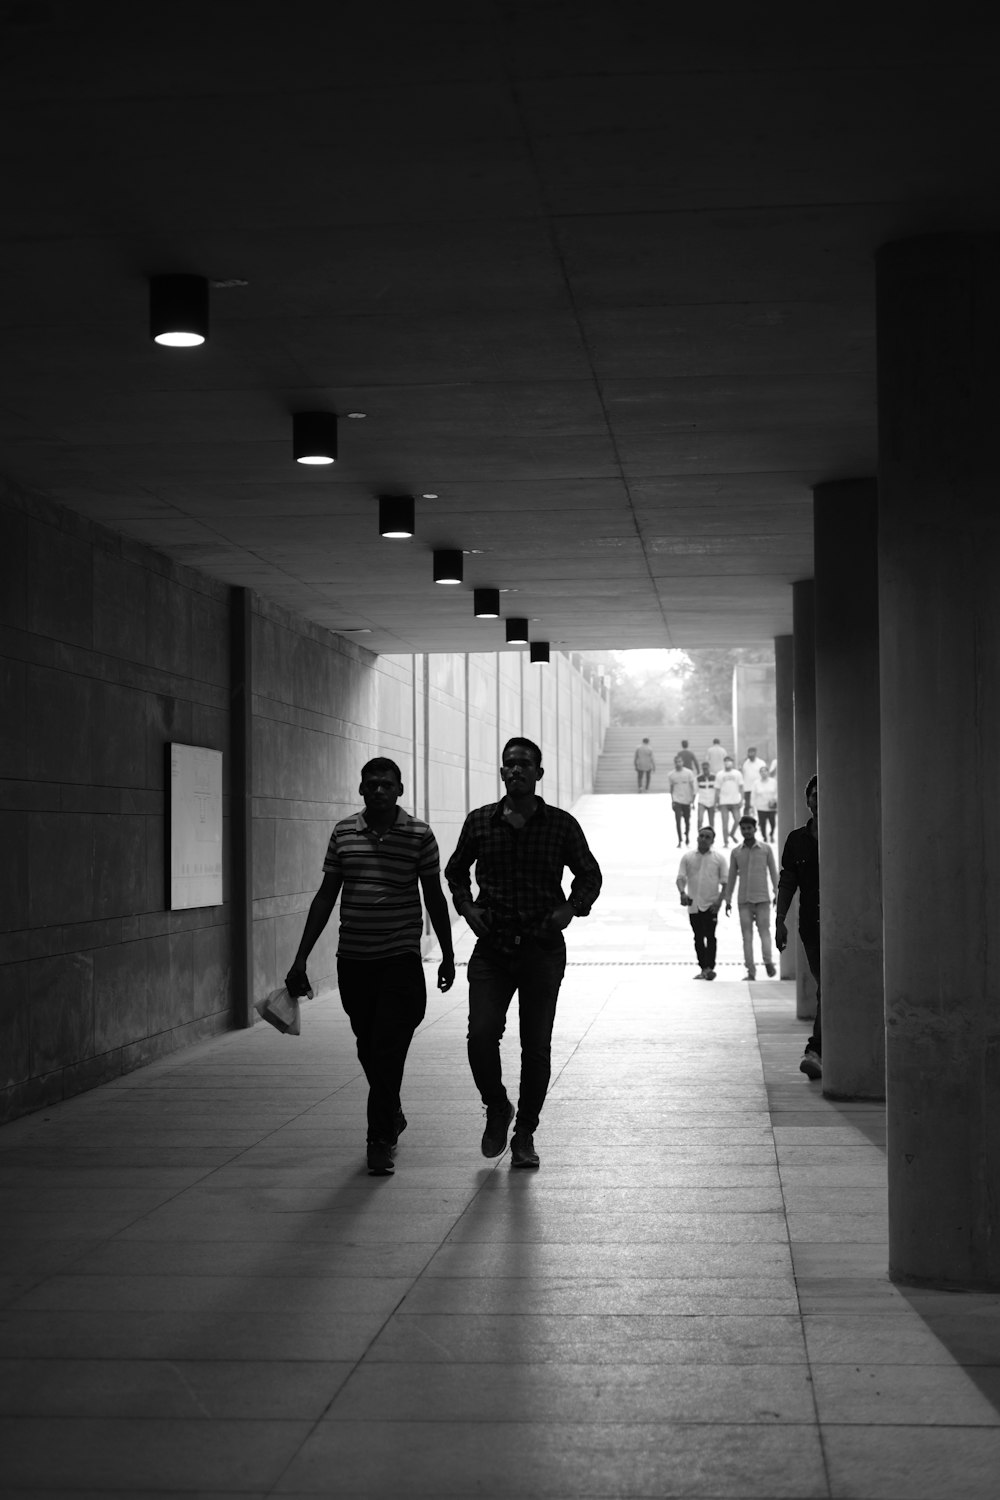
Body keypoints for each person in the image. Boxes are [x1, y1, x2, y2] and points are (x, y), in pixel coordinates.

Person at [285, 757, 456, 1176]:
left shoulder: (419, 834)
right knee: (368, 1045)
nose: (379, 790)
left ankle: (379, 1139)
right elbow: (326, 896)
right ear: (361, 789)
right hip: (354, 961)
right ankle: (391, 1108)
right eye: (372, 784)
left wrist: (449, 954)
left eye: (387, 784)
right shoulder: (343, 833)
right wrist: (300, 957)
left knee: (386, 1047)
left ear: (400, 790)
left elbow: (434, 896)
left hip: (399, 958)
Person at [445, 737, 602, 1170]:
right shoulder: (480, 823)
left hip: (541, 949)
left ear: (538, 773)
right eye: (509, 765)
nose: (516, 771)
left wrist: (571, 908)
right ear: (501, 773)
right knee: (481, 1035)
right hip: (492, 949)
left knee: (535, 1047)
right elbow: (455, 870)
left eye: (524, 765)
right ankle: (497, 1106)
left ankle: (525, 1133)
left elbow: (590, 874)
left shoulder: (561, 825)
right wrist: (467, 906)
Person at [775, 775, 821, 1080]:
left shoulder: (846, 834)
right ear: (808, 801)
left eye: (824, 794)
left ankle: (815, 1051)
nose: (819, 799)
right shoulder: (796, 840)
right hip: (811, 926)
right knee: (827, 986)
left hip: (845, 924)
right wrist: (779, 922)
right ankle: (817, 1051)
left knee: (828, 988)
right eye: (814, 794)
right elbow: (788, 883)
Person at [725, 814, 779, 980]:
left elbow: (773, 872)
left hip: (763, 899)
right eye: (743, 828)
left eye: (749, 828)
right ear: (740, 830)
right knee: (746, 937)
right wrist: (728, 900)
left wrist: (777, 893)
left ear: (755, 829)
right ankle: (751, 971)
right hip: (744, 901)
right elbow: (732, 877)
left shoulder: (765, 849)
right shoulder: (736, 852)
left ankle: (768, 961)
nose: (746, 831)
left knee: (765, 933)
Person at [677, 825, 728, 979]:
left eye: (708, 837)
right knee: (698, 937)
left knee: (710, 936)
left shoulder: (719, 859)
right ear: (697, 837)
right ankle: (704, 968)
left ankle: (710, 967)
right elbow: (680, 878)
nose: (704, 839)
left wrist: (719, 902)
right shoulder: (688, 857)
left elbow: (726, 883)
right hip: (693, 905)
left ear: (713, 840)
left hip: (711, 905)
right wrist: (682, 893)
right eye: (702, 836)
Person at [667, 753, 697, 846]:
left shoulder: (688, 773)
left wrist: (693, 800)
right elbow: (671, 789)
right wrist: (672, 801)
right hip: (677, 800)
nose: (678, 763)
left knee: (687, 820)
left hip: (687, 800)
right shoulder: (671, 774)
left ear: (682, 762)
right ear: (674, 763)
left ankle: (687, 835)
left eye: (679, 761)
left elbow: (693, 787)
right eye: (676, 762)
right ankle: (680, 840)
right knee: (678, 820)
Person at [714, 755, 744, 846]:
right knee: (725, 823)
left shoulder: (737, 773)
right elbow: (717, 789)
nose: (727, 763)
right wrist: (716, 801)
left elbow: (741, 787)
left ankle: (732, 834)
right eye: (726, 761)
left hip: (735, 801)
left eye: (729, 761)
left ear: (732, 762)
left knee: (738, 820)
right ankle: (725, 841)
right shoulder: (720, 774)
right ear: (724, 763)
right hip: (724, 802)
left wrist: (742, 799)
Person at [754, 765, 777, 842]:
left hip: (771, 807)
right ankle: (764, 836)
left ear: (768, 772)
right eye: (762, 772)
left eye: (765, 771)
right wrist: (753, 806)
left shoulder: (773, 782)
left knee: (773, 823)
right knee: (762, 824)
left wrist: (775, 800)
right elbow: (753, 795)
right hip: (761, 807)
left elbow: (777, 792)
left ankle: (771, 834)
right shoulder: (756, 783)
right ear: (760, 773)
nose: (764, 773)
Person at [741, 746, 763, 815]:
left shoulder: (761, 763)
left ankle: (760, 821)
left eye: (752, 752)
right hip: (748, 788)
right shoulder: (745, 763)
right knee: (747, 806)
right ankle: (746, 821)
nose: (750, 754)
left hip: (759, 788)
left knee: (760, 806)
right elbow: (743, 775)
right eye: (749, 752)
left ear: (755, 753)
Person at [696, 759, 717, 830]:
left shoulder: (714, 777)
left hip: (711, 801)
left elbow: (717, 790)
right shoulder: (698, 778)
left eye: (706, 768)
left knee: (711, 822)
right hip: (702, 801)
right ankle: (699, 834)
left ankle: (711, 836)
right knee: (700, 819)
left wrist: (717, 802)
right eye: (704, 769)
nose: (705, 770)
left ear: (709, 768)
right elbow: (695, 790)